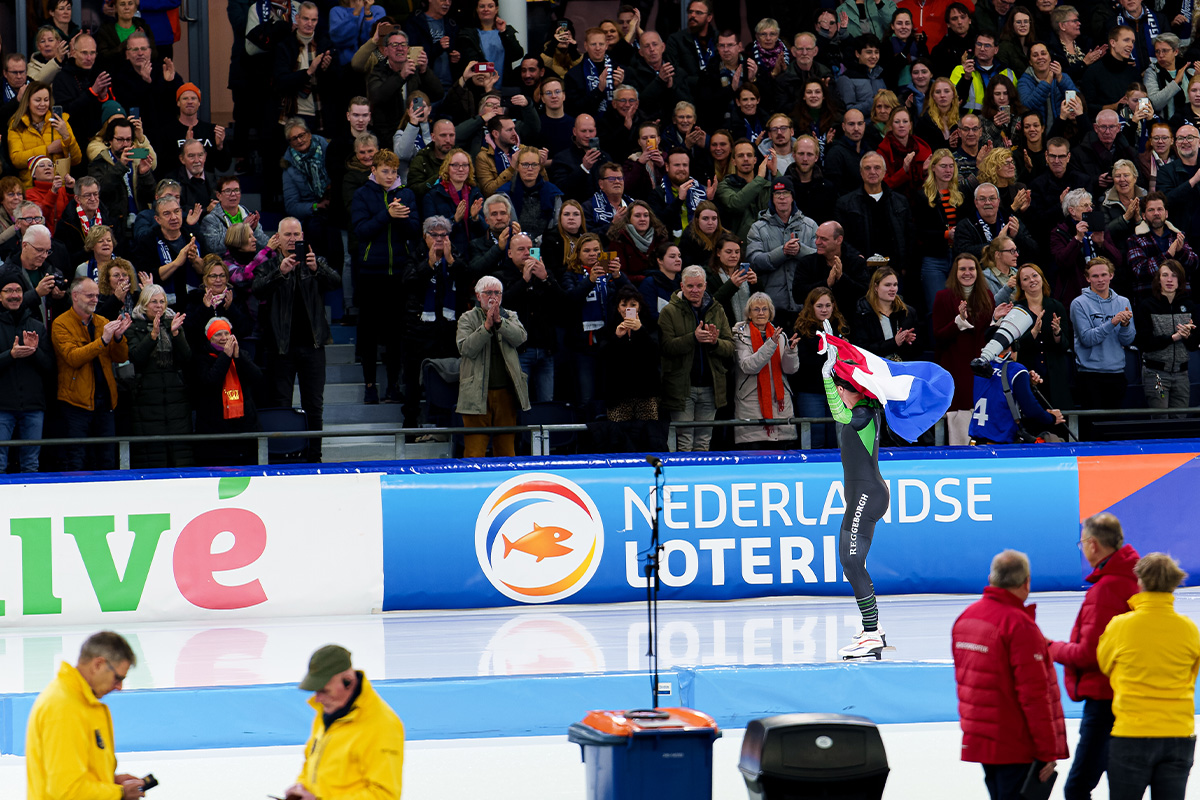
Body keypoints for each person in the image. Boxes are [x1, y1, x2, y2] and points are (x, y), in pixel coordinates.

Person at [952, 549, 1068, 799]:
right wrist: (1048, 751)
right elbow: (1034, 695)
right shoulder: (1019, 626)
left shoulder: (966, 618)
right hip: (1016, 745)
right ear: (1027, 582)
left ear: (991, 578)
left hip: (983, 740)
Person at [1043, 513, 1141, 800]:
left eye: (1082, 543)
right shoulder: (1131, 580)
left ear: (1093, 545)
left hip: (1104, 701)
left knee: (1077, 787)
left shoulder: (1106, 589)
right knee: (1122, 787)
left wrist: (1051, 648)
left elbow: (1091, 654)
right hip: (1129, 696)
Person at [1098, 552, 1200, 800]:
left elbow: (1104, 664)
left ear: (1140, 581)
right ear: (1174, 584)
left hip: (1131, 733)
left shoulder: (1119, 626)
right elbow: (1192, 673)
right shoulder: (1189, 629)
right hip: (1178, 734)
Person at [818, 333, 889, 656]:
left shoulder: (862, 414)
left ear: (849, 390)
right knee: (850, 560)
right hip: (865, 493)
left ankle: (872, 633)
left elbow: (840, 414)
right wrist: (838, 356)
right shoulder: (868, 409)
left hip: (867, 495)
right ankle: (873, 628)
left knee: (851, 560)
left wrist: (826, 378)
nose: (840, 394)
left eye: (841, 389)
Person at [252, 217, 341, 462]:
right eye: (288, 235)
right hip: (281, 348)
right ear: (278, 238)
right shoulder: (270, 264)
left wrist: (316, 269)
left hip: (313, 347)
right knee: (281, 404)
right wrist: (280, 273)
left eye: (297, 235)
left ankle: (315, 457)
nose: (293, 239)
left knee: (314, 405)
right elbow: (257, 288)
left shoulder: (315, 260)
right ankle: (284, 456)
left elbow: (335, 282)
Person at [26, 631, 145, 800]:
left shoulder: (81, 704)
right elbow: (67, 790)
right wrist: (118, 793)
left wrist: (110, 782)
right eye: (117, 678)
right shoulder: (63, 708)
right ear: (98, 665)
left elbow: (77, 775)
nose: (119, 687)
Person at [285, 644, 405, 800]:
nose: (317, 699)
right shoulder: (328, 711)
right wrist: (300, 788)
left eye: (324, 691)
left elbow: (384, 795)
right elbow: (311, 763)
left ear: (348, 681)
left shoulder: (382, 725)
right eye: (316, 691)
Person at [350, 148, 420, 404]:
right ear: (374, 171)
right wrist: (386, 215)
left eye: (393, 172)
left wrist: (399, 218)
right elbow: (361, 232)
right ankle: (370, 386)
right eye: (385, 171)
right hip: (370, 273)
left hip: (399, 273)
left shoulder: (407, 194)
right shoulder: (362, 195)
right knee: (368, 332)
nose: (390, 176)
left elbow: (414, 230)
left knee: (396, 334)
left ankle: (393, 385)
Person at [51, 277, 131, 471]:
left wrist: (119, 338)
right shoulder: (60, 324)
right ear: (75, 296)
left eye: (96, 295)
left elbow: (120, 358)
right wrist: (103, 340)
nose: (95, 299)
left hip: (105, 402)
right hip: (76, 403)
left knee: (107, 459)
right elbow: (73, 358)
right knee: (76, 460)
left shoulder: (103, 321)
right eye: (90, 295)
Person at [659, 264, 734, 452]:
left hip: (711, 385)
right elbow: (665, 347)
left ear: (706, 285)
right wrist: (693, 338)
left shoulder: (717, 309)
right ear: (682, 286)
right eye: (690, 286)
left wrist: (715, 342)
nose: (695, 290)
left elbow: (730, 347)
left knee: (703, 441)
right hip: (681, 386)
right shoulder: (669, 311)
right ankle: (682, 480)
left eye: (699, 286)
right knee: (684, 440)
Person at [456, 275, 530, 458]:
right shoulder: (467, 318)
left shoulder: (510, 316)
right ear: (478, 295)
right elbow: (466, 349)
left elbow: (521, 338)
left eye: (497, 293)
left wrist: (500, 322)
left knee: (506, 450)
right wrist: (487, 326)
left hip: (506, 392)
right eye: (488, 292)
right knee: (475, 450)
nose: (493, 297)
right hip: (475, 394)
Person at [934, 253, 999, 444]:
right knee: (960, 416)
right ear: (955, 272)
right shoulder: (943, 297)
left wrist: (996, 320)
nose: (967, 273)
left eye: (971, 269)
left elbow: (987, 334)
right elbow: (937, 335)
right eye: (962, 269)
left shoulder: (987, 296)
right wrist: (958, 322)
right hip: (955, 367)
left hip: (980, 368)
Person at [126, 284, 193, 468]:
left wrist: (176, 334)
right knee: (152, 455)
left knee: (179, 455)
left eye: (162, 301)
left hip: (175, 398)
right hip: (147, 399)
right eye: (153, 302)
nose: (159, 306)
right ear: (144, 304)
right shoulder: (134, 327)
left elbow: (186, 358)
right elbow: (136, 358)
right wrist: (153, 335)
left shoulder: (173, 323)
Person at [0, 267, 54, 473]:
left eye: (18, 290)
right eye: (8, 291)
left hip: (33, 406)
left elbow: (50, 367)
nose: (14, 295)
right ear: (0, 295)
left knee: (31, 464)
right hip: (2, 407)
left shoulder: (37, 326)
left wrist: (35, 351)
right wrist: (10, 355)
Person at [746, 176, 818, 331]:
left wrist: (800, 250)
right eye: (777, 194)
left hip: (805, 306)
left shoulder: (810, 225)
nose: (782, 197)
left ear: (792, 197)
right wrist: (782, 252)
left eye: (786, 193)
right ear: (772, 198)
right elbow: (754, 261)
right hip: (772, 308)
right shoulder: (758, 228)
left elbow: (820, 259)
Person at [732, 291, 799, 447]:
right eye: (756, 309)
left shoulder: (779, 336)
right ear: (749, 313)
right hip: (751, 403)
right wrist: (770, 344)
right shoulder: (740, 335)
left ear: (771, 313)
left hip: (780, 404)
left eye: (764, 309)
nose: (760, 313)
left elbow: (790, 370)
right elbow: (749, 366)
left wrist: (791, 352)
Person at [194, 317, 263, 467]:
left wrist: (237, 357)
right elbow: (210, 381)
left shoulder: (241, 355)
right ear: (209, 337)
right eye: (218, 334)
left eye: (226, 333)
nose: (223, 338)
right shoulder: (202, 358)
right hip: (216, 435)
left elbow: (257, 378)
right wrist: (226, 356)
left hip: (244, 429)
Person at [1072, 257, 1136, 415]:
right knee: (1093, 429)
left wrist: (1125, 325)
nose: (1100, 279)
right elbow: (1087, 339)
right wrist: (1112, 322)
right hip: (1090, 375)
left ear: (1111, 275)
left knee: (1113, 428)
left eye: (1104, 275)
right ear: (1087, 279)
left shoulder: (1123, 301)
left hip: (1117, 373)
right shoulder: (1079, 303)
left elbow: (1128, 340)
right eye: (1095, 276)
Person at [1134, 259, 1199, 413]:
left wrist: (1188, 335)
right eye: (1165, 275)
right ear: (1158, 279)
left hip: (1182, 375)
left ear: (1181, 280)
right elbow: (1144, 343)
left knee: (1180, 420)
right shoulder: (1147, 306)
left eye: (1174, 276)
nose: (1169, 280)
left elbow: (1194, 345)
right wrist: (1173, 337)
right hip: (1157, 375)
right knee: (1160, 418)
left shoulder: (1189, 306)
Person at [7, 81, 83, 187]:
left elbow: (76, 160)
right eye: (38, 100)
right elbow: (17, 159)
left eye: (46, 100)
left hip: (60, 189)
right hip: (32, 190)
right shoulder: (16, 124)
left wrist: (66, 136)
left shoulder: (61, 122)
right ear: (28, 102)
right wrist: (48, 149)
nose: (43, 104)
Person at [1127, 192, 1199, 300]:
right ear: (1144, 216)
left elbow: (1195, 264)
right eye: (1151, 210)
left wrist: (1181, 252)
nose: (1156, 213)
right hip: (1148, 299)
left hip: (1180, 299)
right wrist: (1168, 254)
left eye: (1160, 209)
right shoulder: (1135, 239)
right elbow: (1139, 270)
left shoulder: (1178, 235)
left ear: (1166, 213)